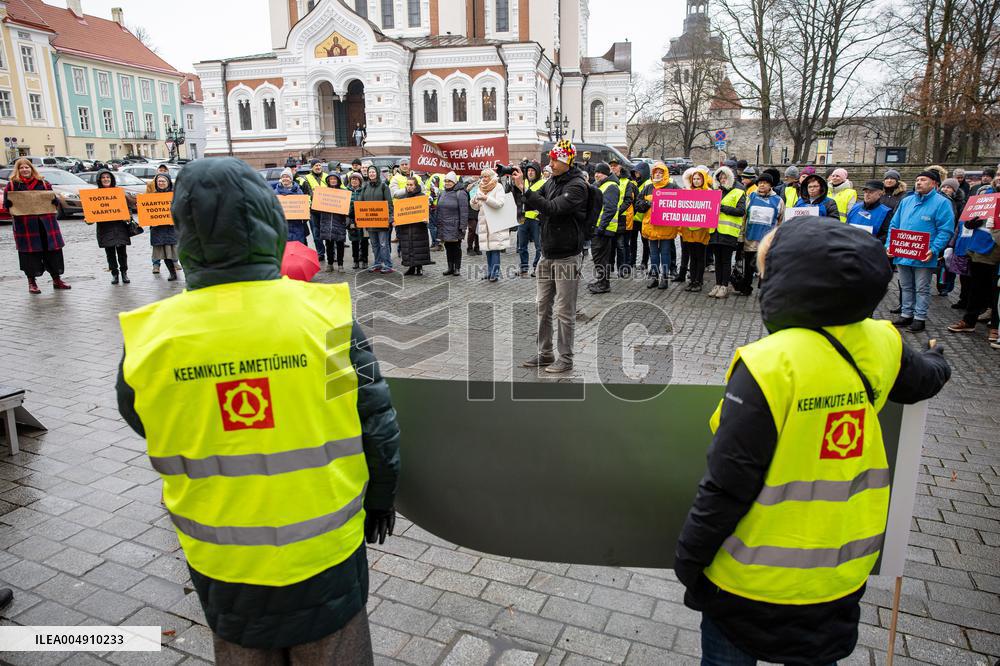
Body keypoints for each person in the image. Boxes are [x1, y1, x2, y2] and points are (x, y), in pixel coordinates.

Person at [116, 157, 400, 666]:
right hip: (326, 550)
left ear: (185, 233)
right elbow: (375, 423)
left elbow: (143, 417)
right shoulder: (326, 318)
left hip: (222, 557)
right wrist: (380, 498)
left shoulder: (150, 337)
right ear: (271, 223)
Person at [675, 217, 951, 666]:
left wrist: (689, 560)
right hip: (838, 577)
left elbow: (728, 484)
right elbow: (922, 380)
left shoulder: (768, 363)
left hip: (749, 582)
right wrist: (938, 361)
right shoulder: (883, 341)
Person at [517, 140, 589, 374]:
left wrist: (526, 191)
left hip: (567, 256)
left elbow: (553, 208)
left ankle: (565, 358)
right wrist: (516, 184)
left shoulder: (577, 185)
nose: (550, 163)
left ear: (567, 161)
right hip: (547, 255)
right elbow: (531, 198)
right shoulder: (551, 181)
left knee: (564, 311)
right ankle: (545, 353)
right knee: (542, 306)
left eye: (554, 160)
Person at [888, 170, 955, 332]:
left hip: (924, 254)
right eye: (917, 179)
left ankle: (919, 318)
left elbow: (945, 230)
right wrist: (889, 245)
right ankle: (906, 314)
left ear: (934, 184)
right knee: (905, 286)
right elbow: (894, 225)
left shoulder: (942, 203)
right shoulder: (907, 201)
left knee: (922, 288)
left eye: (923, 180)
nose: (918, 182)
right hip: (902, 252)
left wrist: (934, 249)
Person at [3, 158, 71, 293]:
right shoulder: (12, 186)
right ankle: (32, 283)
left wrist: (54, 200)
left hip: (47, 225)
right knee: (29, 255)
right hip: (26, 227)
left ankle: (56, 279)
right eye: (21, 168)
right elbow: (7, 207)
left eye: (27, 167)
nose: (24, 170)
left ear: (31, 169)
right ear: (18, 170)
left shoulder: (44, 184)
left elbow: (53, 203)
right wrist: (9, 205)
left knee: (53, 252)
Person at [947, 213, 1000, 343]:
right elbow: (969, 217)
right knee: (975, 289)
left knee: (996, 294)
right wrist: (969, 223)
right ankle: (969, 321)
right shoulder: (986, 195)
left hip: (996, 253)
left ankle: (995, 326)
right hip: (977, 250)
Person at [738, 171, 783, 296]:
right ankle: (746, 287)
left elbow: (780, 221)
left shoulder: (778, 200)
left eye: (765, 183)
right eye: (760, 183)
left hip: (767, 241)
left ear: (771, 185)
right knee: (748, 266)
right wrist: (741, 236)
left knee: (765, 266)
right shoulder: (751, 197)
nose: (762, 185)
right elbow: (744, 217)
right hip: (750, 238)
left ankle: (765, 289)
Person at [90, 170, 133, 285]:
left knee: (122, 252)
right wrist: (89, 219)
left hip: (119, 227)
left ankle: (124, 272)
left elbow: (127, 207)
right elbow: (91, 211)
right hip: (105, 228)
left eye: (108, 177)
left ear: (111, 179)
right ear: (100, 180)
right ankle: (114, 273)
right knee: (110, 253)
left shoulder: (119, 192)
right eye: (103, 177)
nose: (106, 179)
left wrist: (127, 216)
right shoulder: (95, 195)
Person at [639, 162, 678, 289]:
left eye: (661, 172)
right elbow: (638, 203)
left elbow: (682, 202)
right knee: (654, 253)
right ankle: (655, 277)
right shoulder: (648, 187)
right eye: (656, 172)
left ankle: (664, 278)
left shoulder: (672, 187)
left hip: (666, 227)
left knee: (665, 253)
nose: (658, 174)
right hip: (651, 226)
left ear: (665, 173)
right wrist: (647, 204)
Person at [709, 166, 746, 299]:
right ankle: (718, 284)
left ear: (730, 178)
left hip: (728, 232)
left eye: (725, 177)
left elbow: (741, 211)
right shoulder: (714, 191)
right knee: (717, 260)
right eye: (720, 178)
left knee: (725, 260)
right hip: (714, 231)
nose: (722, 180)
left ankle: (724, 285)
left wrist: (722, 207)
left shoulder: (738, 192)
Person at [675, 166, 713, 292]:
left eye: (699, 179)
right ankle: (692, 281)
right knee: (692, 256)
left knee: (700, 256)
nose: (696, 181)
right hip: (688, 230)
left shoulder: (709, 193)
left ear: (704, 179)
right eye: (694, 179)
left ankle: (698, 280)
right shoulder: (687, 192)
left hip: (701, 231)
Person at [470, 168, 510, 282]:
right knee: (487, 248)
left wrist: (486, 198)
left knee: (495, 248)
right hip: (484, 222)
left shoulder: (498, 187)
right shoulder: (480, 187)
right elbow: (477, 207)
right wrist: (473, 202)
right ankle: (489, 271)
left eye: (486, 176)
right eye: (482, 176)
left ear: (491, 177)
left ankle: (495, 273)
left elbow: (500, 204)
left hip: (495, 221)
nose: (484, 179)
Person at [589, 162, 621, 294]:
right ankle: (602, 281)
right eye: (596, 172)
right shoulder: (602, 185)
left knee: (599, 257)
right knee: (601, 257)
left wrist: (601, 227)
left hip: (603, 229)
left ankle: (603, 284)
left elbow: (610, 209)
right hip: (600, 228)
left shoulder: (611, 186)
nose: (597, 175)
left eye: (600, 172)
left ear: (606, 174)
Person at [358, 165, 395, 274]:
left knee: (384, 244)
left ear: (377, 173)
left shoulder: (383, 186)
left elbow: (389, 203)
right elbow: (361, 202)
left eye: (373, 172)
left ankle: (388, 265)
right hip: (370, 221)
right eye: (370, 172)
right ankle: (378, 263)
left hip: (382, 221)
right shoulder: (365, 186)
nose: (371, 174)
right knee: (374, 244)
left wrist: (390, 218)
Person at [395, 177, 433, 276]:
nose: (409, 187)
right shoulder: (403, 198)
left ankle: (419, 267)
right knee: (409, 247)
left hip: (418, 227)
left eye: (411, 185)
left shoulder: (422, 197)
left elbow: (426, 211)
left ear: (416, 186)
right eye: (407, 185)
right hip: (406, 228)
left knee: (418, 247)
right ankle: (411, 267)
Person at [436, 172, 469, 276]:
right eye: (446, 181)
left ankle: (457, 268)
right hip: (444, 225)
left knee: (456, 247)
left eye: (450, 181)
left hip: (455, 226)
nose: (447, 183)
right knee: (448, 247)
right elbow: (438, 209)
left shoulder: (461, 193)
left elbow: (464, 211)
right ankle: (450, 267)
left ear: (454, 182)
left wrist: (463, 226)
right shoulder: (442, 192)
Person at [297, 159, 328, 264]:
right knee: (316, 233)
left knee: (328, 233)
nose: (318, 167)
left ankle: (331, 253)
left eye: (319, 165)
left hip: (327, 210)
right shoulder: (306, 179)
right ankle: (320, 253)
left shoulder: (327, 177)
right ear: (311, 167)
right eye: (315, 165)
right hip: (313, 211)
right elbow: (303, 194)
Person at [149, 173, 179, 282]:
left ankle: (184, 272)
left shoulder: (174, 195)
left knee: (174, 252)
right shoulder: (152, 196)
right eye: (159, 181)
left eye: (163, 181)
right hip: (158, 230)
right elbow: (148, 212)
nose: (161, 183)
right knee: (165, 254)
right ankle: (172, 273)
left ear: (168, 183)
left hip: (172, 229)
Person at [318, 173, 349, 272]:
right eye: (331, 179)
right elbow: (317, 207)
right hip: (326, 221)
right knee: (329, 244)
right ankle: (330, 263)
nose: (333, 180)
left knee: (340, 244)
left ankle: (340, 265)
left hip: (339, 222)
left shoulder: (343, 193)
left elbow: (347, 208)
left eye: (334, 179)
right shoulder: (323, 192)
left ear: (338, 180)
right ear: (328, 181)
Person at [519, 162, 545, 277]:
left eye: (532, 171)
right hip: (522, 218)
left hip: (536, 219)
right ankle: (524, 268)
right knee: (521, 246)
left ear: (537, 172)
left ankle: (536, 268)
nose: (530, 172)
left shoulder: (543, 183)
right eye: (528, 170)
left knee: (538, 247)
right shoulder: (522, 182)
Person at [273, 169, 309, 245]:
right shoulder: (275, 193)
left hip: (297, 226)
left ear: (291, 179)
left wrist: (306, 215)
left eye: (287, 177)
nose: (285, 179)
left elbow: (304, 207)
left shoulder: (298, 191)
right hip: (282, 226)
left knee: (298, 248)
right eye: (283, 177)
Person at [347, 172, 369, 270]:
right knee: (354, 241)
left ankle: (365, 260)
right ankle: (355, 261)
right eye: (352, 179)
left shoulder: (365, 190)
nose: (354, 181)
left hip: (363, 219)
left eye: (356, 179)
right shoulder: (346, 191)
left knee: (364, 240)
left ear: (360, 181)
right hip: (352, 220)